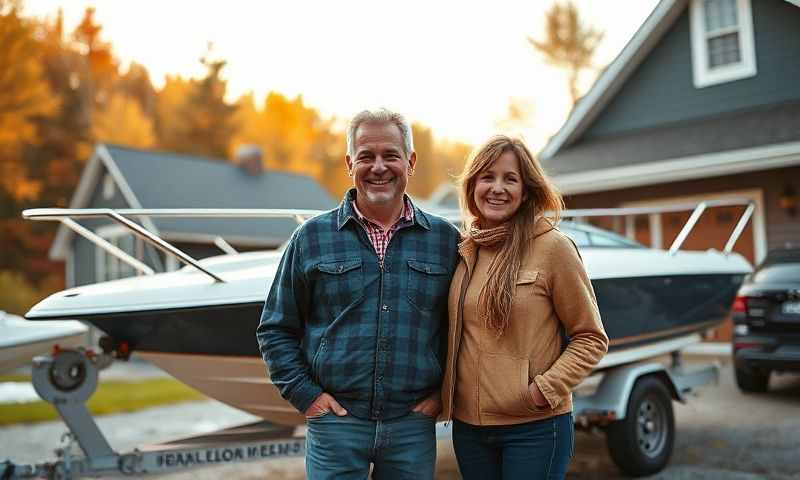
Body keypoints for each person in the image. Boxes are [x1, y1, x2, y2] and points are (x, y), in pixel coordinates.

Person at [256, 108, 460, 480]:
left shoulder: (446, 241)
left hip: (412, 425)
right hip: (335, 425)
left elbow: (462, 330)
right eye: (366, 156)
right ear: (350, 163)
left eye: (390, 155)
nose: (378, 166)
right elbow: (275, 328)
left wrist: (442, 397)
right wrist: (308, 397)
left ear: (410, 162)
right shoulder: (311, 238)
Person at [440, 135, 609, 479]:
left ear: (527, 189)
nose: (497, 188)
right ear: (472, 186)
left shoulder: (554, 248)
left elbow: (591, 338)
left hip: (534, 426)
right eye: (487, 177)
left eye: (510, 178)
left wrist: (542, 391)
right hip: (470, 429)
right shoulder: (465, 250)